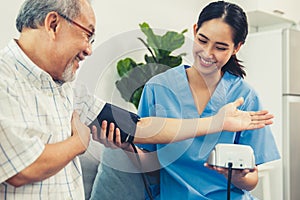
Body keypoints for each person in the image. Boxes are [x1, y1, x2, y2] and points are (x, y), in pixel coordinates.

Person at [0, 0, 274, 199]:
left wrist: (217, 124)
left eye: (221, 46)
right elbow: (23, 167)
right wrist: (81, 141)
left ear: (237, 48)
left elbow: (138, 126)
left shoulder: (64, 88)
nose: (89, 49)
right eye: (88, 35)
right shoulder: (6, 79)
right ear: (53, 24)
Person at [92, 1, 280, 200]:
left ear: (236, 48)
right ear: (195, 30)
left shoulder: (245, 98)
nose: (207, 53)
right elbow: (151, 166)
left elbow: (252, 180)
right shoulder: (158, 88)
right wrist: (126, 146)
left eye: (221, 47)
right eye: (202, 40)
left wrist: (237, 175)